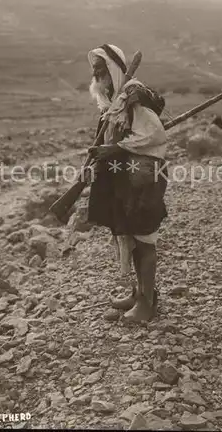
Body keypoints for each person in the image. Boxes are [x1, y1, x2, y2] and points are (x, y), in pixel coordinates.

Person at [84, 43, 168, 322]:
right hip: (125, 177)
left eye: (101, 68)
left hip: (144, 177)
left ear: (113, 68)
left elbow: (155, 135)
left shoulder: (134, 95)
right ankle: (138, 294)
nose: (97, 74)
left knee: (144, 238)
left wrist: (114, 150)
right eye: (94, 69)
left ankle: (147, 304)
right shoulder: (113, 102)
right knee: (129, 235)